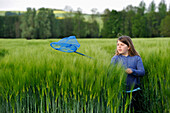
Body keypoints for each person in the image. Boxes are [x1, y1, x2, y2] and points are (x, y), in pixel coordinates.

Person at [111, 36, 145, 113]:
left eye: (122, 45)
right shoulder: (115, 59)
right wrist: (117, 71)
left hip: (134, 91)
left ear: (129, 47)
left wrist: (132, 71)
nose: (119, 47)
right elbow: (110, 72)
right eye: (118, 45)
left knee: (133, 109)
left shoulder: (136, 58)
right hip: (120, 91)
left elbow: (142, 72)